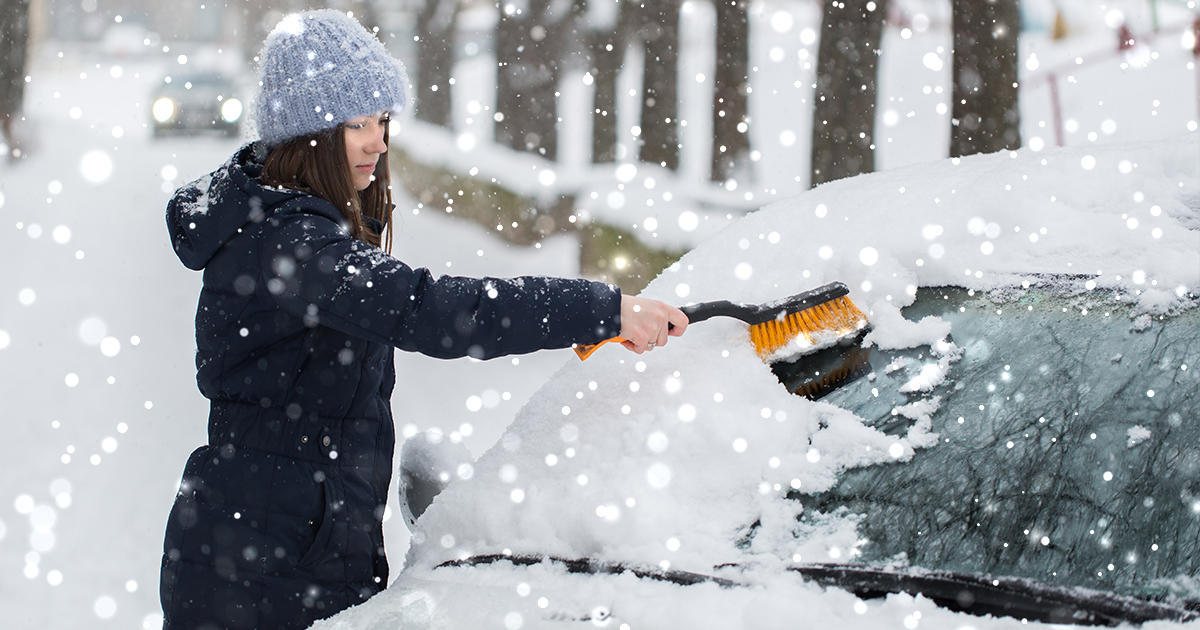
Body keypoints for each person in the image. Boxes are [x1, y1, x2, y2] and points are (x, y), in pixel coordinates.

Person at [159, 9, 687, 630]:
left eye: (382, 120)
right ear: (307, 133)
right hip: (265, 556)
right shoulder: (292, 244)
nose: (378, 142)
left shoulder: (283, 226)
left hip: (278, 531)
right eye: (357, 123)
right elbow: (431, 310)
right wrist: (601, 311)